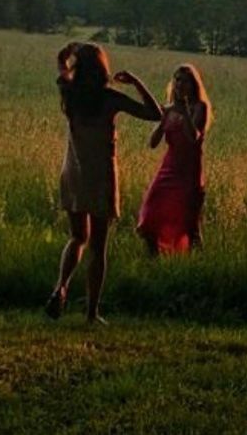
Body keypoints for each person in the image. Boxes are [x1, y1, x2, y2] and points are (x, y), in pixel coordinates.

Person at [47, 41, 162, 324]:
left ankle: (60, 286)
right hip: (101, 176)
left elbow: (61, 65)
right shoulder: (110, 99)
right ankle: (91, 312)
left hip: (73, 172)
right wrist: (135, 81)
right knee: (98, 247)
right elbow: (155, 113)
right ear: (102, 68)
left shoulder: (69, 92)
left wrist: (67, 51)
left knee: (77, 237)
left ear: (79, 67)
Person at [136, 63, 212, 255]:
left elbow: (192, 137)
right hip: (168, 169)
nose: (180, 84)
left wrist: (184, 111)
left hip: (189, 174)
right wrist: (163, 120)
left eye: (185, 81)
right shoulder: (168, 109)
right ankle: (152, 260)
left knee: (190, 225)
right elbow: (152, 143)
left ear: (193, 85)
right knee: (150, 213)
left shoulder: (200, 108)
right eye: (177, 79)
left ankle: (199, 265)